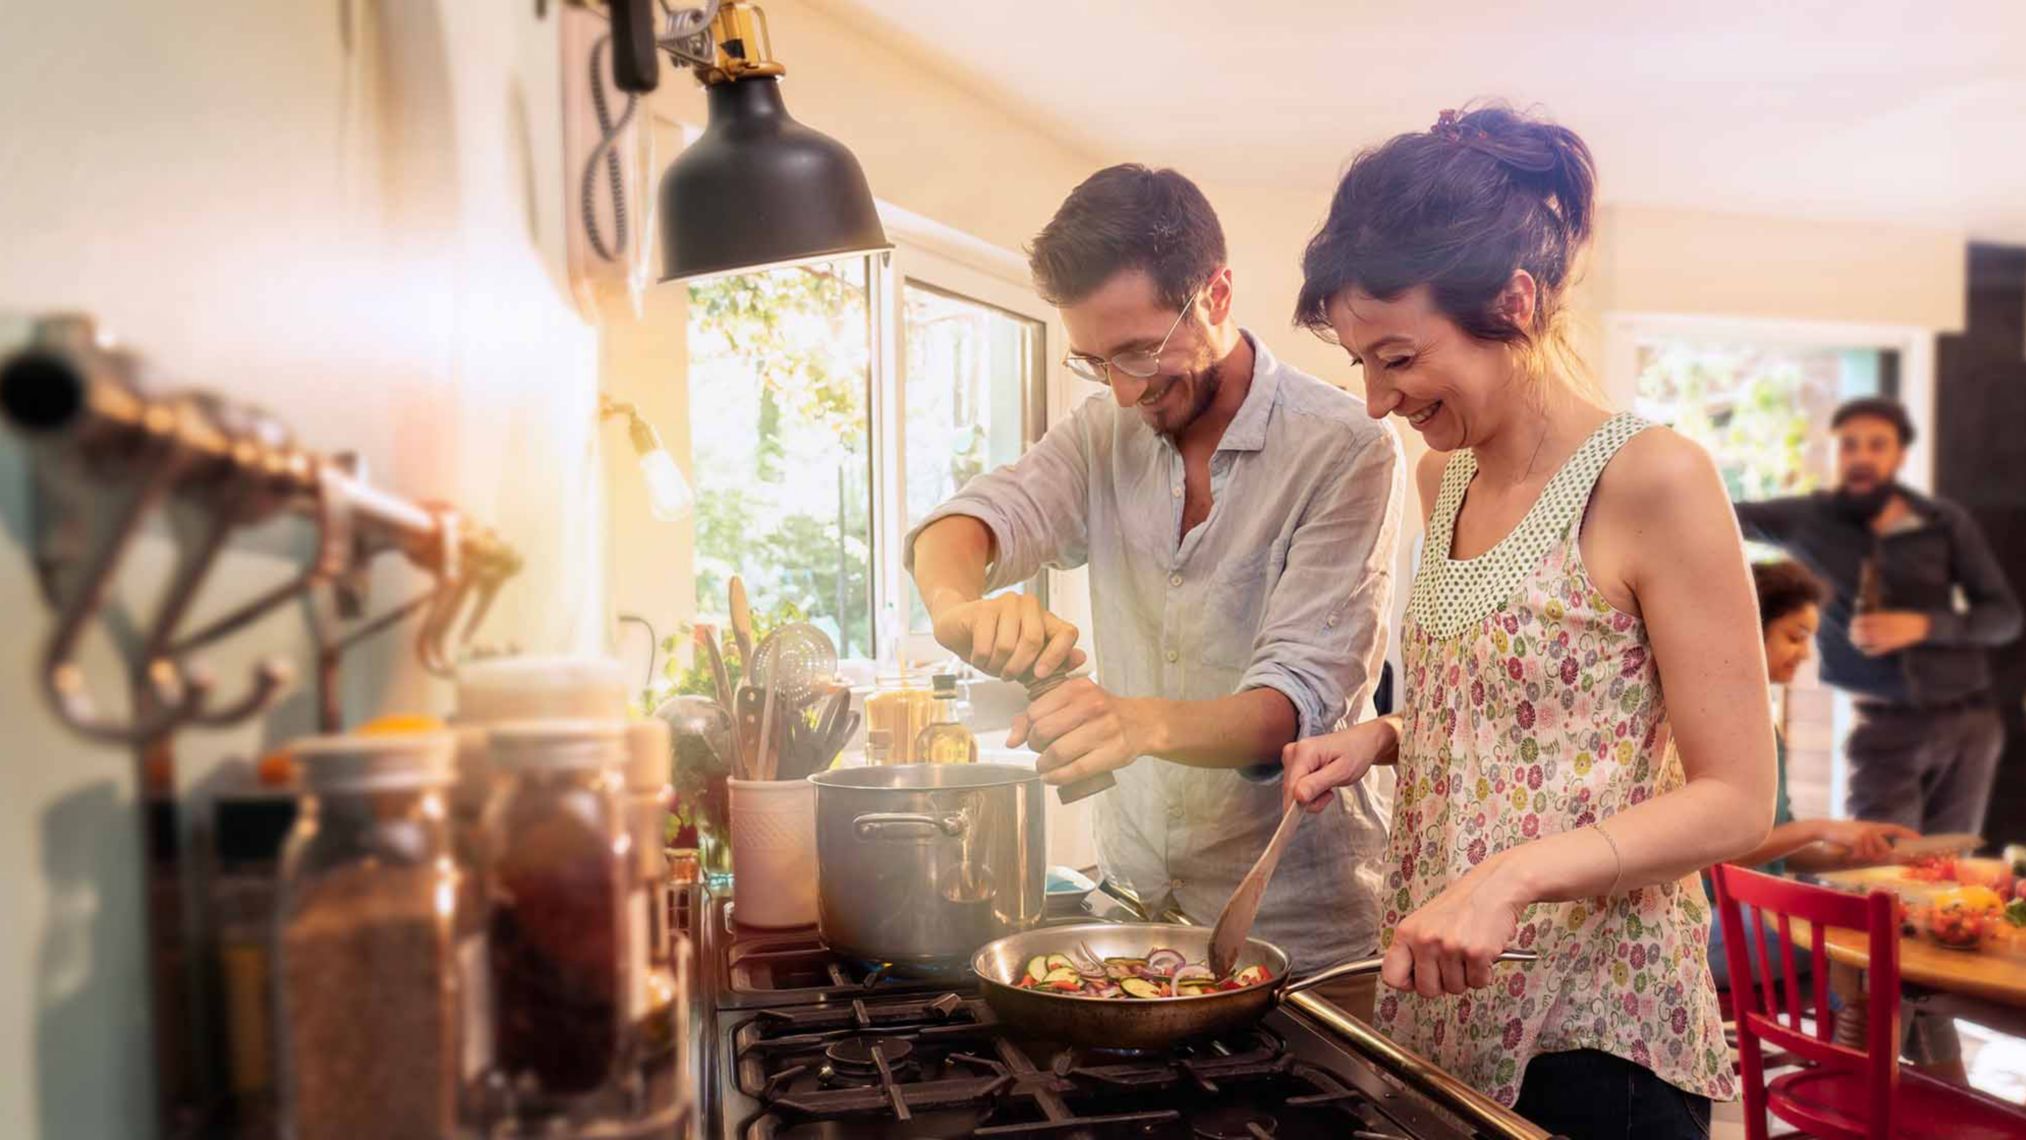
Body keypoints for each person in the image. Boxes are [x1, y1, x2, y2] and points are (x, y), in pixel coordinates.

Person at [1281, 104, 1776, 1137]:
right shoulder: (1442, 475)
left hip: (1599, 1033)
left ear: (1510, 300)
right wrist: (1383, 738)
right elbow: (1536, 727)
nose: (1376, 398)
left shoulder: (1653, 478)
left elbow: (1736, 798)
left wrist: (1509, 878)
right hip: (1449, 1016)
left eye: (1400, 357)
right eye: (1360, 363)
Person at [906, 164, 1404, 1017]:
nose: (1126, 389)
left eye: (1140, 350)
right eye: (1095, 360)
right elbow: (972, 522)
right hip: (1134, 913)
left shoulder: (1348, 447)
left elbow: (1299, 704)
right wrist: (960, 610)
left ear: (1216, 292)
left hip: (1306, 936)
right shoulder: (1103, 430)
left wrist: (1131, 722)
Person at [1735, 397, 2021, 835]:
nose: (1861, 456)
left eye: (1876, 445)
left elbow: (2004, 617)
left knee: (1949, 872)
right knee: (1878, 867)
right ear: (1834, 452)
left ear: (1899, 455)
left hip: (1970, 723)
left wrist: (1925, 626)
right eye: (1849, 445)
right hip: (1882, 728)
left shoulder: (1944, 522)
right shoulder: (1806, 520)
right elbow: (1720, 517)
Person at [1706, 560, 1917, 989]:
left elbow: (1775, 846)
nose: (1805, 653)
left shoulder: (1763, 724)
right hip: (1704, 928)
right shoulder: (1716, 723)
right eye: (1794, 636)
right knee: (1888, 941)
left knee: (1901, 940)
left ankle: (1869, 1051)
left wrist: (1856, 853)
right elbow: (1713, 858)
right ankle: (1857, 1052)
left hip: (1753, 915)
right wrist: (1819, 827)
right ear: (1748, 629)